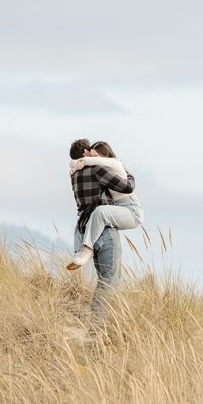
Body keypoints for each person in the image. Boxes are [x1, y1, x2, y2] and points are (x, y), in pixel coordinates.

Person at [67, 137, 142, 322]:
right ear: (85, 153)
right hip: (105, 230)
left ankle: (97, 321)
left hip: (87, 229)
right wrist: (130, 176)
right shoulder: (99, 169)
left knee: (102, 280)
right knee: (110, 281)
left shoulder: (74, 175)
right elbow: (127, 186)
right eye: (91, 154)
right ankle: (97, 325)